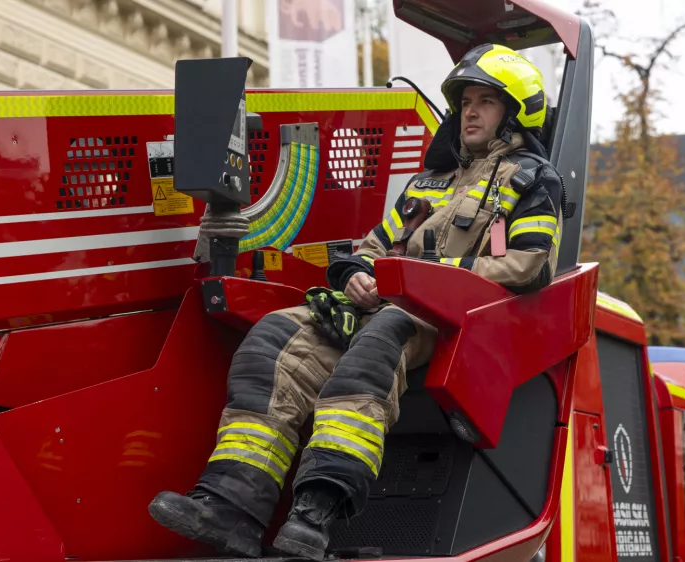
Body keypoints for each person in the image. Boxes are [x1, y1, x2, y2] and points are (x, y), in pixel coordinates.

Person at [147, 43, 567, 560]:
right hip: (385, 303)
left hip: (450, 319)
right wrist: (356, 278)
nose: (470, 112)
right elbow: (372, 247)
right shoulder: (429, 181)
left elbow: (528, 266)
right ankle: (232, 506)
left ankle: (314, 516)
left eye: (486, 101)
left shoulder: (532, 182)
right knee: (275, 337)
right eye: (465, 102)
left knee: (376, 343)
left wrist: (422, 279)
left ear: (516, 113)